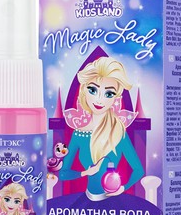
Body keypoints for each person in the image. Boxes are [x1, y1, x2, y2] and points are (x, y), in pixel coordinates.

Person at [60, 56, 144, 201]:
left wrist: (123, 188)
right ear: (84, 90)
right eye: (93, 90)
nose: (99, 99)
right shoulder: (79, 134)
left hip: (113, 202)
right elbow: (63, 173)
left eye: (108, 94)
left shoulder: (118, 132)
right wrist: (85, 172)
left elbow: (138, 170)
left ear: (115, 98)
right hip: (87, 200)